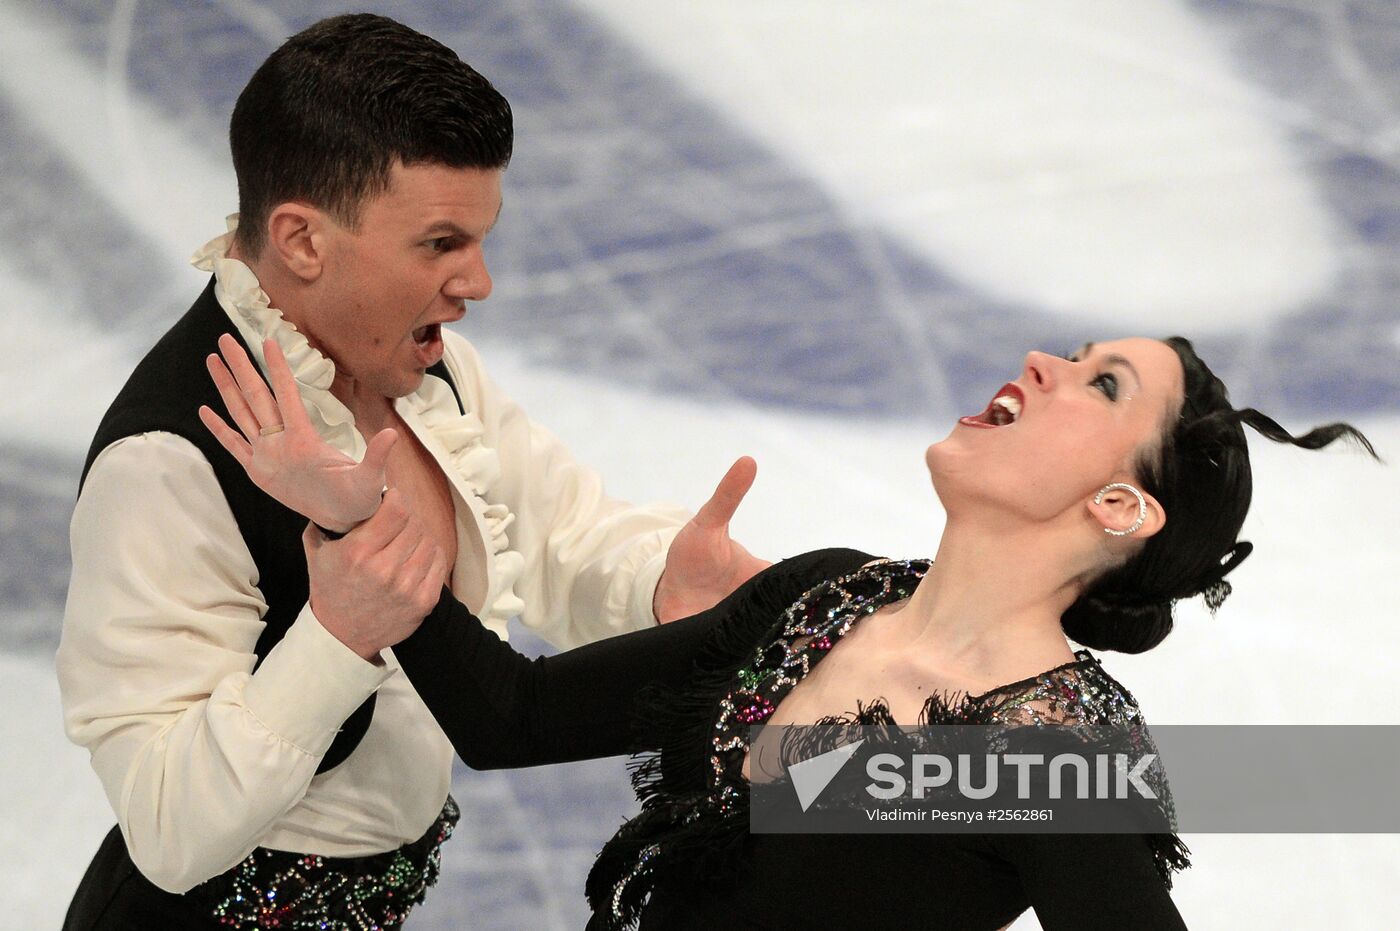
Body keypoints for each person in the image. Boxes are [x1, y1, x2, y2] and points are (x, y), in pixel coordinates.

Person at [206, 332, 1377, 929]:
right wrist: (362, 518)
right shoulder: (823, 601)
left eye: (1099, 384)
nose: (1040, 362)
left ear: (1119, 508)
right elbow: (509, 719)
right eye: (1072, 353)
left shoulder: (1051, 759)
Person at [56, 13, 766, 930]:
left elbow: (557, 538)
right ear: (303, 241)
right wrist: (338, 635)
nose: (479, 282)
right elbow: (168, 825)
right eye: (440, 244)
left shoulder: (426, 370)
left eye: (479, 238)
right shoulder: (167, 462)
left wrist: (657, 579)